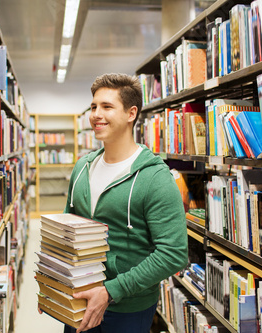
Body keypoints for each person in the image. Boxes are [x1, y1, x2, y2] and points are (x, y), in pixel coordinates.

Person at [61, 73, 188, 333]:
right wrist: (55, 283)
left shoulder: (155, 178)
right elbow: (67, 230)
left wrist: (110, 291)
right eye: (94, 106)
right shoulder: (82, 167)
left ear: (131, 114)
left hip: (127, 308)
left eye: (107, 107)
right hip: (78, 300)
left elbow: (173, 254)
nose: (96, 114)